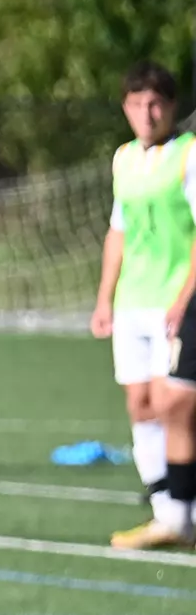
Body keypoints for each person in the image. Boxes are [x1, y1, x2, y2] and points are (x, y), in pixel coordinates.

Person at [100, 61, 196, 549]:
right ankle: (167, 514)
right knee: (140, 405)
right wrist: (103, 298)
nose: (147, 112)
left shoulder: (189, 155)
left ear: (171, 106)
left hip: (173, 302)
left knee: (172, 403)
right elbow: (118, 231)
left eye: (155, 103)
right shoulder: (123, 159)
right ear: (125, 108)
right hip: (131, 302)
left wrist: (184, 298)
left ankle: (182, 511)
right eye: (137, 104)